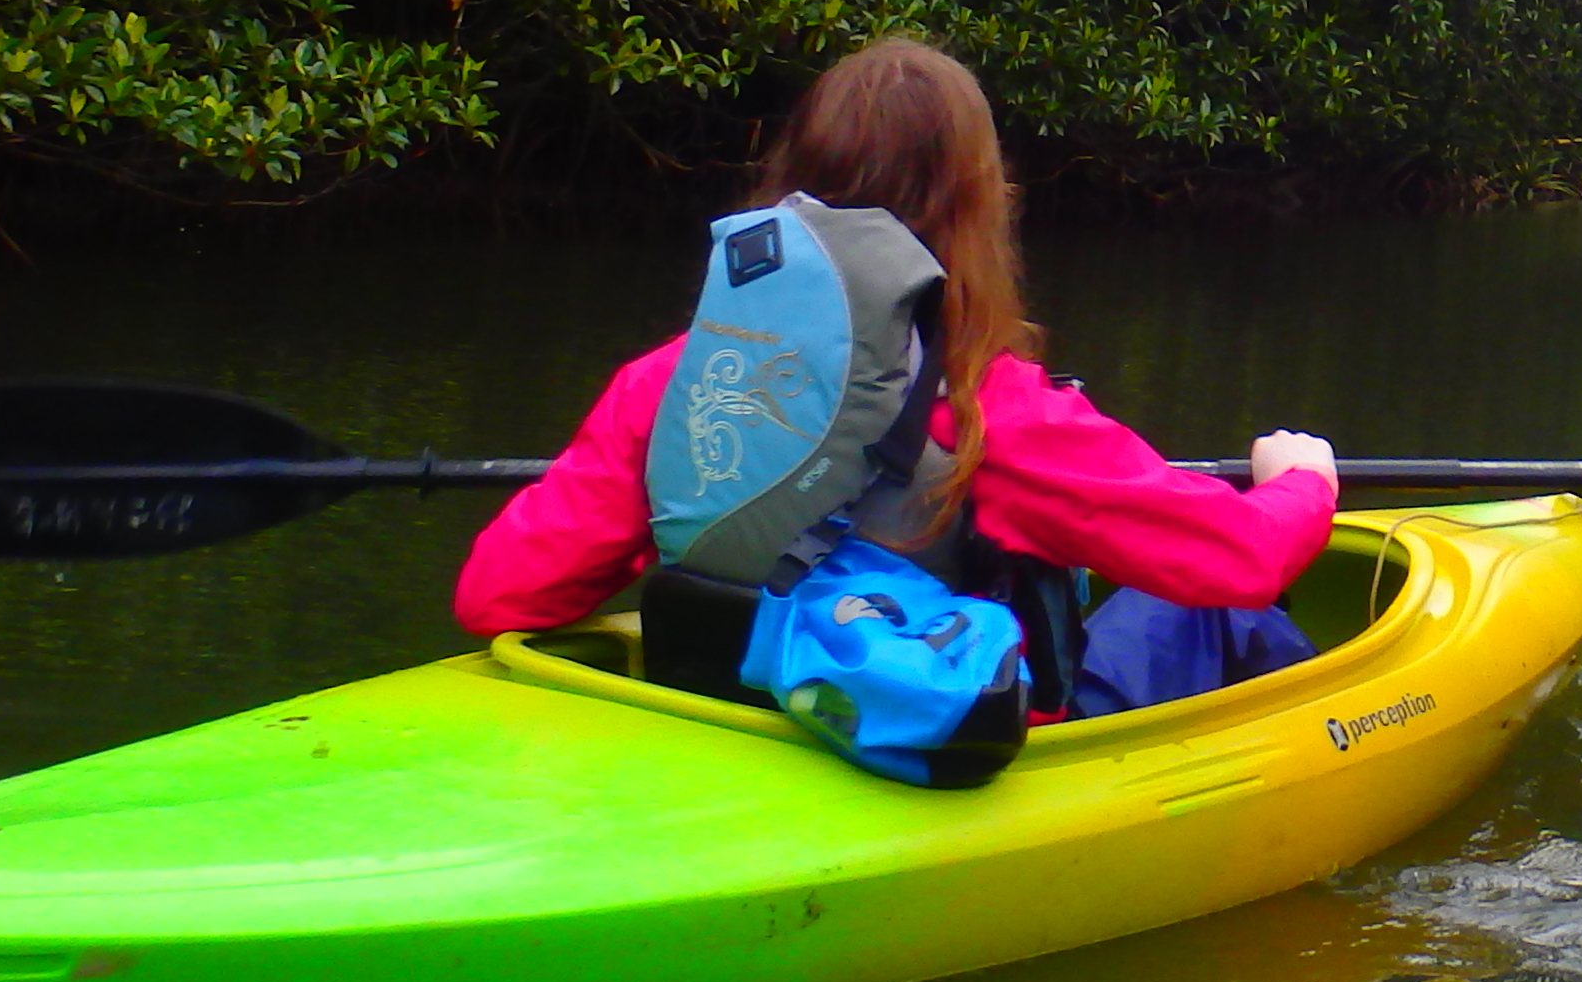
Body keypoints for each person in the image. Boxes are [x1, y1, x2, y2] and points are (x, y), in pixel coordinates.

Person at [454, 36, 1337, 715]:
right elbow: (1246, 559)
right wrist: (1300, 485)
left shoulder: (672, 386)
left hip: (744, 722)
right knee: (1211, 611)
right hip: (945, 743)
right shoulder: (991, 410)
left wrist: (716, 516)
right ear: (975, 209)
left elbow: (496, 594)